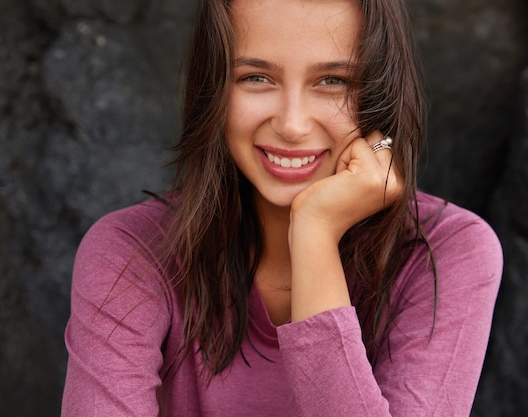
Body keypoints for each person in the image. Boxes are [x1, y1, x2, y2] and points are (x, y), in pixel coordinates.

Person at [61, 0, 503, 415]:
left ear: (381, 97)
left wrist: (314, 233)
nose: (292, 124)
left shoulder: (447, 252)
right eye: (256, 77)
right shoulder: (130, 254)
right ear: (211, 89)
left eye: (333, 81)